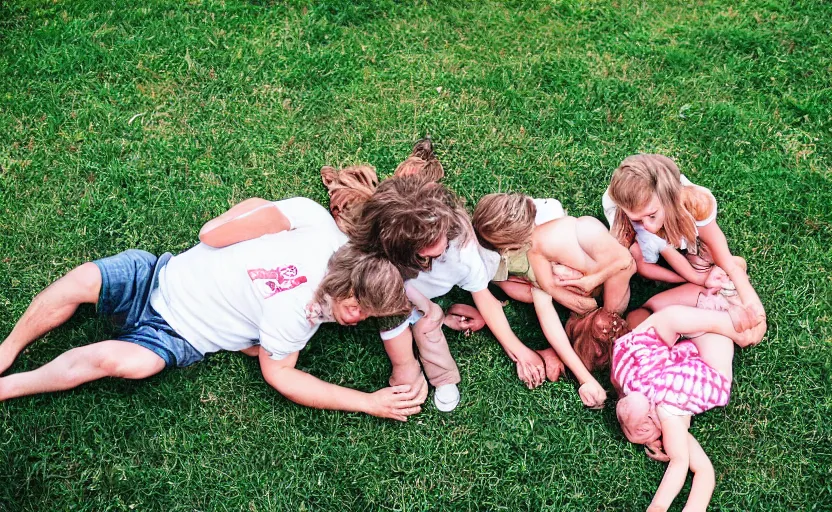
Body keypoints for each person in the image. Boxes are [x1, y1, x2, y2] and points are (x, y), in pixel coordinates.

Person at [0, 197, 425, 422]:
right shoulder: (314, 223)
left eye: (366, 318)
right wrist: (223, 228)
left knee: (118, 362)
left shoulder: (301, 316)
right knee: (81, 281)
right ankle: (10, 346)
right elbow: (251, 208)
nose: (356, 321)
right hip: (156, 276)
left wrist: (369, 401)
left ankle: (12, 386)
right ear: (347, 276)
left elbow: (283, 376)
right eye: (356, 308)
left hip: (178, 335)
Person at [472, 193, 635, 408]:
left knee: (603, 325)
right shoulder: (531, 251)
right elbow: (545, 304)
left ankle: (573, 352)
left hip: (597, 280)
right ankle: (571, 353)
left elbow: (626, 263)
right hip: (566, 282)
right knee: (593, 326)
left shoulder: (566, 231)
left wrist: (589, 282)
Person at [612, 304, 764, 512]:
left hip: (710, 337)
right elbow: (703, 471)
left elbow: (679, 462)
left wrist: (658, 505)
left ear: (648, 422)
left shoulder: (668, 411)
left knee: (750, 329)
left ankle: (725, 311)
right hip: (690, 331)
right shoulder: (659, 407)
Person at [602, 154, 765, 330]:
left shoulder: (697, 204)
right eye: (638, 219)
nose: (647, 226)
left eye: (652, 215)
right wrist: (693, 279)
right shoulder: (627, 219)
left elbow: (727, 261)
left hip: (672, 207)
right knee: (626, 258)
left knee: (707, 256)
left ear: (668, 199)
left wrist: (751, 303)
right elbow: (642, 267)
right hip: (640, 222)